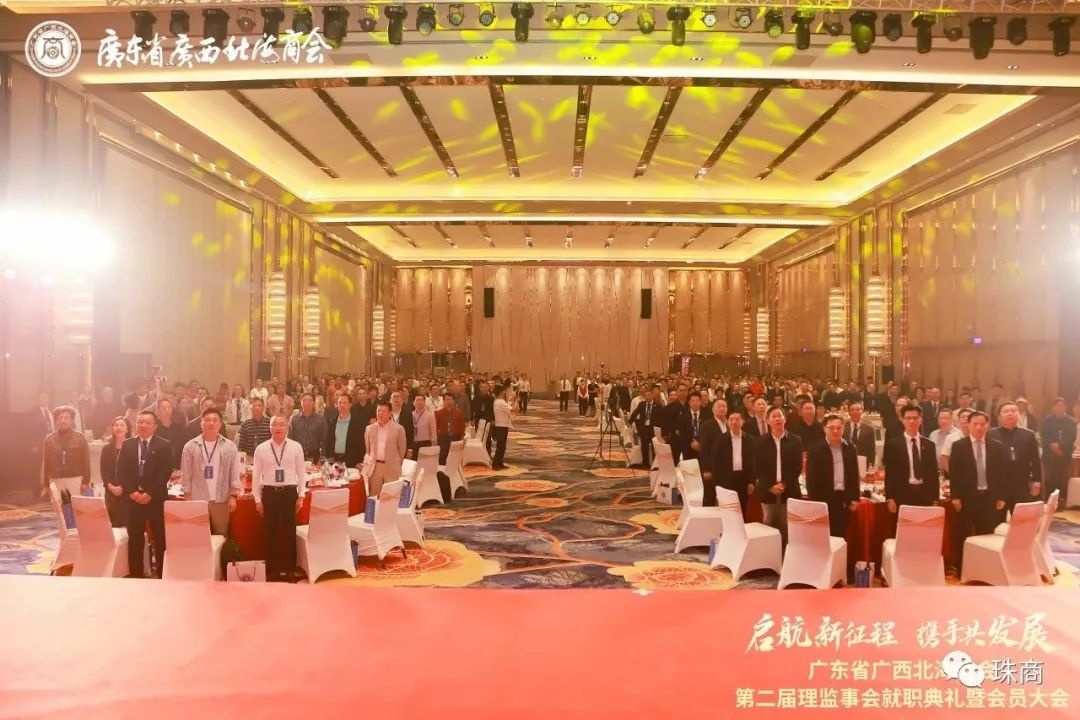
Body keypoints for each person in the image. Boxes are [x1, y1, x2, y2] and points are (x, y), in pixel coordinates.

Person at [117, 411, 174, 578]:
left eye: (147, 422)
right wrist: (132, 492)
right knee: (135, 538)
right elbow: (121, 472)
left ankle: (162, 574)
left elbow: (165, 473)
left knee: (160, 537)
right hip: (132, 500)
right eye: (140, 422)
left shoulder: (164, 445)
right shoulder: (127, 444)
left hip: (155, 499)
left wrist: (149, 493)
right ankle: (136, 575)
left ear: (155, 426)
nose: (143, 425)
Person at [949, 411, 1007, 571]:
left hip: (988, 497)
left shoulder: (996, 446)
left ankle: (984, 567)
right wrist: (955, 496)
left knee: (986, 533)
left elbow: (1001, 473)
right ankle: (961, 567)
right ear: (968, 425)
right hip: (967, 498)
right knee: (963, 533)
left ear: (987, 426)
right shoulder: (959, 446)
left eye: (982, 424)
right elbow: (955, 473)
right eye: (975, 424)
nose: (979, 427)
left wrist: (1001, 496)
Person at [252, 415, 307, 582]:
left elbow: (301, 472)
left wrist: (301, 495)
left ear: (287, 428)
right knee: (271, 532)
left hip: (289, 493)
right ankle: (272, 571)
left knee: (290, 532)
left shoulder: (296, 447)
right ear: (269, 428)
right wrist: (257, 499)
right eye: (274, 424)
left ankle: (290, 570)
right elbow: (256, 475)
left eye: (282, 424)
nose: (278, 427)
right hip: (269, 493)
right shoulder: (261, 449)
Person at [179, 408, 242, 536]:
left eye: (215, 420)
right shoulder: (190, 446)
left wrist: (233, 496)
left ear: (220, 424)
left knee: (221, 534)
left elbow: (234, 473)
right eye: (207, 420)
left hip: (221, 499)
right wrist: (188, 496)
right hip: (197, 499)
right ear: (201, 423)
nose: (211, 423)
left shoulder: (230, 447)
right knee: (198, 534)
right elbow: (186, 473)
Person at [754, 406, 803, 545]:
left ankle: (786, 553)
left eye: (780, 416)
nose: (777, 419)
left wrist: (784, 484)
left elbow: (797, 467)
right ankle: (769, 553)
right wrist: (771, 486)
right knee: (768, 523)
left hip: (789, 489)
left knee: (787, 525)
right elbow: (758, 468)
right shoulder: (760, 442)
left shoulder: (795, 440)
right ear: (768, 421)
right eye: (774, 416)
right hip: (768, 490)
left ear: (784, 419)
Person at [806, 414, 860, 538]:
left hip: (843, 500)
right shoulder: (815, 449)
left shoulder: (850, 448)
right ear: (824, 429)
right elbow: (811, 479)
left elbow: (854, 474)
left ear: (843, 429)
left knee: (840, 536)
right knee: (822, 536)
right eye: (831, 428)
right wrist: (814, 501)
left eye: (839, 428)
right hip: (823, 499)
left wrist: (855, 497)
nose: (835, 431)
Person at [883, 404, 939, 512]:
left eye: (915, 418)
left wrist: (935, 499)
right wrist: (890, 498)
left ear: (921, 420)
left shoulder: (929, 444)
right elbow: (890, 473)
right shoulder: (893, 445)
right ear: (902, 420)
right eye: (908, 418)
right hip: (902, 494)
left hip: (925, 495)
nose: (912, 421)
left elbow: (933, 473)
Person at [989, 402, 1042, 511]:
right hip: (999, 485)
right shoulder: (991, 435)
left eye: (1013, 411)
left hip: (1022, 483)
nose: (1010, 414)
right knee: (997, 518)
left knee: (1021, 517)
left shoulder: (1029, 435)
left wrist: (1037, 480)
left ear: (1018, 414)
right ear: (999, 417)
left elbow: (1036, 460)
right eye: (1006, 411)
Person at [706, 410, 756, 514]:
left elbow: (753, 462)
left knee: (743, 508)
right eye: (731, 420)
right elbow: (715, 463)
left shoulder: (750, 439)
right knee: (728, 509)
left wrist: (752, 481)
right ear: (728, 422)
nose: (734, 422)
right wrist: (717, 484)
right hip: (726, 479)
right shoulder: (721, 440)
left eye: (737, 419)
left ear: (742, 421)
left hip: (744, 478)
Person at [41, 405, 91, 498]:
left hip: (76, 479)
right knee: (59, 506)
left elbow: (86, 462)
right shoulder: (49, 439)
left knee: (76, 506)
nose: (63, 420)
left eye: (66, 417)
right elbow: (46, 463)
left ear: (71, 420)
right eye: (60, 418)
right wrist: (46, 485)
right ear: (56, 421)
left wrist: (85, 482)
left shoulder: (80, 438)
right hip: (55, 479)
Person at [364, 402, 407, 497]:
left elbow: (402, 450)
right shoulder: (370, 429)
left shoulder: (398, 429)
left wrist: (395, 461)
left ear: (390, 413)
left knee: (392, 496)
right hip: (375, 467)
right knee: (374, 496)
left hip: (392, 466)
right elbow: (368, 449)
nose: (380, 413)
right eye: (378, 411)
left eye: (383, 411)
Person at [1039, 397, 1076, 504]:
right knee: (1049, 479)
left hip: (1064, 454)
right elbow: (1044, 435)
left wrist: (1060, 446)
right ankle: (1049, 501)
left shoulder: (1071, 422)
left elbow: (1071, 437)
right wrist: (1053, 447)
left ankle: (1061, 501)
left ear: (1065, 407)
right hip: (1049, 455)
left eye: (1062, 405)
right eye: (1057, 405)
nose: (1059, 408)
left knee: (1063, 479)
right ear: (1053, 407)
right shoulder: (1047, 421)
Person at [101, 416, 131, 528]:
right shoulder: (106, 449)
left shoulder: (133, 447)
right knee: (114, 526)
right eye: (116, 425)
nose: (119, 427)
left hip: (129, 492)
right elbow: (103, 472)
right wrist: (111, 487)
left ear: (127, 429)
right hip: (111, 492)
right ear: (112, 429)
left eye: (122, 425)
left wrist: (125, 487)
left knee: (130, 526)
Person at [326, 393, 364, 467]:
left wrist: (359, 461)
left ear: (350, 405)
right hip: (335, 460)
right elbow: (329, 442)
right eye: (340, 403)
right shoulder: (332, 422)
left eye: (345, 403)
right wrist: (329, 458)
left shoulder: (358, 422)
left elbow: (361, 444)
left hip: (352, 461)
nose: (342, 405)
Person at [288, 392, 327, 462]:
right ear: (301, 403)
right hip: (297, 454)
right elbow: (290, 438)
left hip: (315, 455)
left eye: (310, 401)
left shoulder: (320, 419)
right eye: (304, 401)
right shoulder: (294, 419)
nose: (307, 403)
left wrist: (323, 455)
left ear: (314, 403)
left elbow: (324, 439)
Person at [628, 387, 660, 469]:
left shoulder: (658, 405)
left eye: (649, 395)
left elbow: (661, 417)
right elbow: (635, 413)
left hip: (653, 429)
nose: (647, 396)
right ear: (644, 397)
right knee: (644, 447)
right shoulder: (642, 404)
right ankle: (645, 463)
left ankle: (655, 464)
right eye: (646, 395)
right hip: (644, 428)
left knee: (654, 447)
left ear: (652, 396)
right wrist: (630, 422)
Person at [435, 392, 466, 464]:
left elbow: (462, 427)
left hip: (456, 438)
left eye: (451, 399)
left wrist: (462, 439)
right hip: (443, 439)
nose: (449, 401)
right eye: (447, 399)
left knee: (455, 459)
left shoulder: (459, 413)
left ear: (454, 401)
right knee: (442, 459)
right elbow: (436, 428)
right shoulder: (438, 413)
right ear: (443, 401)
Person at [843, 402, 876, 469]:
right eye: (852, 410)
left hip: (863, 462)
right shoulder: (843, 428)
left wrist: (871, 466)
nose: (855, 412)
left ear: (862, 412)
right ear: (849, 412)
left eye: (858, 410)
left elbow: (872, 450)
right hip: (846, 462)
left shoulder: (869, 429)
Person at [929, 409, 961, 474]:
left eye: (946, 418)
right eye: (940, 418)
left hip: (953, 472)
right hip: (935, 471)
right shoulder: (933, 434)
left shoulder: (959, 435)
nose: (943, 421)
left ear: (952, 419)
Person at [388, 391, 415, 457]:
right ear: (390, 401)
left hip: (402, 447)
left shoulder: (408, 415)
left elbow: (411, 432)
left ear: (402, 401)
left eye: (398, 397)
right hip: (387, 446)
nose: (396, 399)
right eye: (394, 397)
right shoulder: (386, 414)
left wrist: (410, 449)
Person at [492, 385, 512, 470]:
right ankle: (495, 464)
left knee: (502, 446)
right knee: (500, 446)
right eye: (504, 391)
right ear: (500, 391)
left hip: (502, 425)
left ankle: (499, 463)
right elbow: (511, 409)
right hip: (501, 426)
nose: (505, 392)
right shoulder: (500, 402)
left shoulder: (499, 401)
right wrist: (514, 402)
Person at [411, 393, 437, 457]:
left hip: (426, 444)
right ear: (414, 402)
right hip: (413, 444)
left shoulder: (430, 415)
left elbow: (433, 432)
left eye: (421, 400)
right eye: (417, 400)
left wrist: (433, 447)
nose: (419, 402)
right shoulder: (411, 415)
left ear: (424, 402)